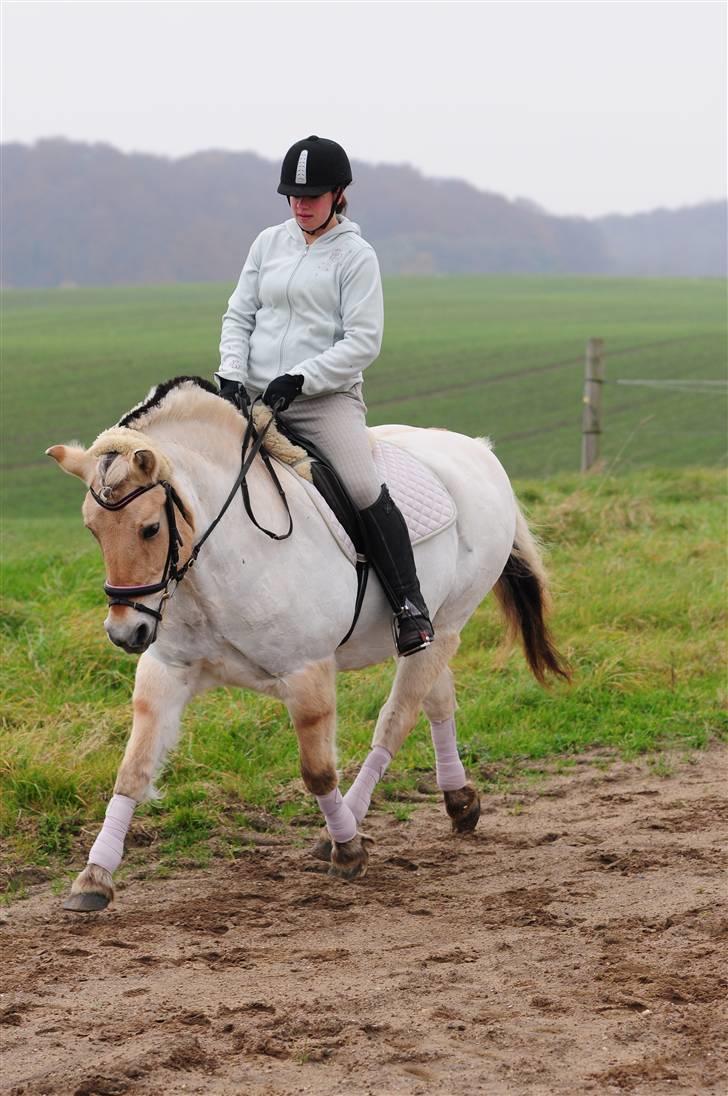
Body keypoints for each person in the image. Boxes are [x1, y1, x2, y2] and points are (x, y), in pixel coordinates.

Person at [215, 135, 434, 656]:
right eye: (292, 195)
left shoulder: (356, 256)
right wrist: (229, 373)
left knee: (360, 485)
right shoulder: (268, 243)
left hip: (322, 400)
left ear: (339, 193)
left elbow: (363, 342)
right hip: (252, 394)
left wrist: (302, 379)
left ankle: (409, 607)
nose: (300, 204)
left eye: (311, 195)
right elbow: (238, 315)